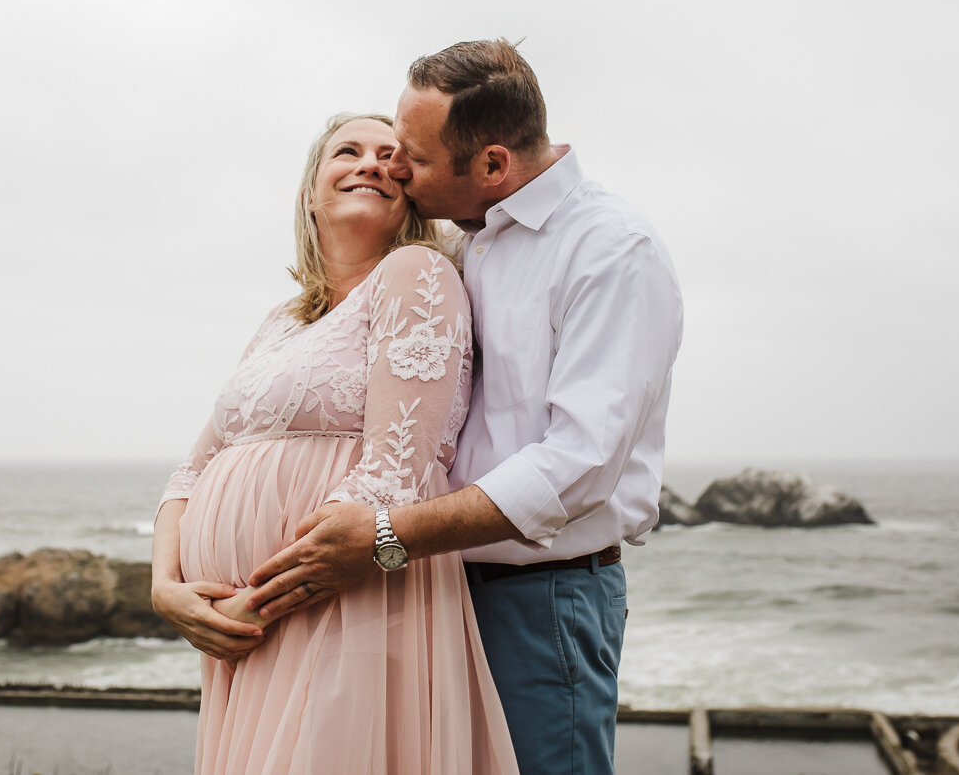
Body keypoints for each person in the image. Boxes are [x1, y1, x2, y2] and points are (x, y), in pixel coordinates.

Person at [244, 40, 684, 775]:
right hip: (430, 588)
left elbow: (576, 466)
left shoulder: (610, 250)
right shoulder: (460, 243)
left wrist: (383, 536)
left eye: (410, 157)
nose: (394, 169)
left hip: (538, 599)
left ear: (489, 165)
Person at [151, 112, 520, 775]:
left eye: (390, 156)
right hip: (256, 629)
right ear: (310, 192)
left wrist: (250, 606)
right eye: (347, 151)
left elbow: (392, 478)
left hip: (347, 604)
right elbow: (191, 471)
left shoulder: (414, 274)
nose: (372, 163)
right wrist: (164, 587)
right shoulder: (280, 320)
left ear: (409, 192)